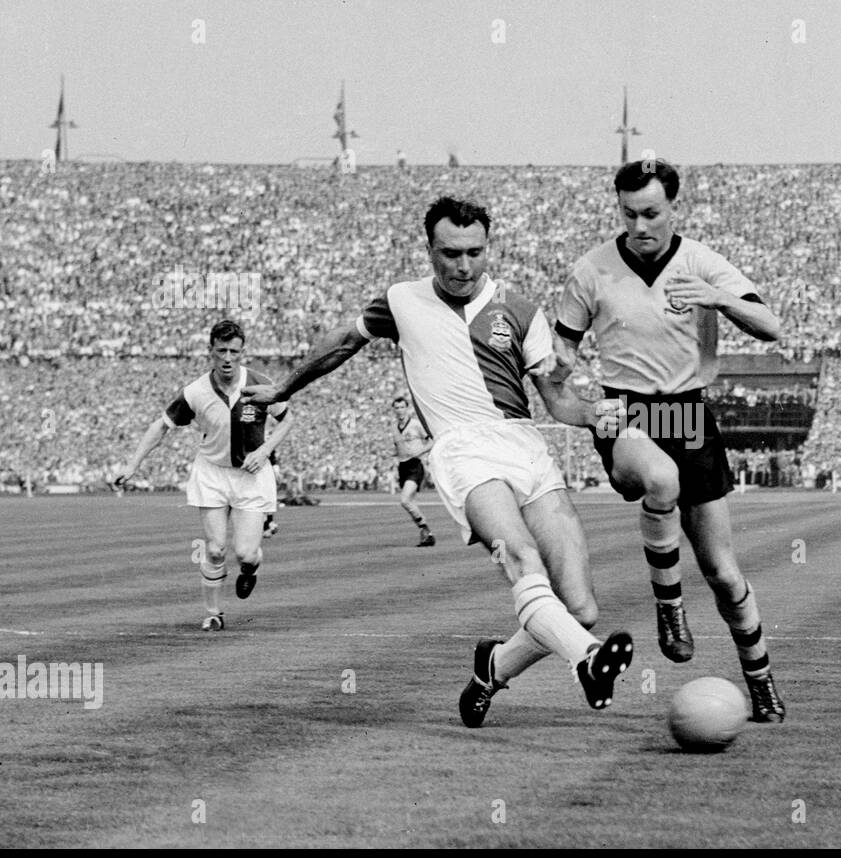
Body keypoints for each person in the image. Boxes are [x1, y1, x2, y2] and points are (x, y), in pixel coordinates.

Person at [241, 196, 633, 726]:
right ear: (429, 249)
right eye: (450, 253)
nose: (463, 265)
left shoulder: (520, 311)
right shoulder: (401, 301)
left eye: (474, 252)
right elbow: (339, 344)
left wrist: (592, 416)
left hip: (525, 446)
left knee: (581, 609)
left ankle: (492, 667)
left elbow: (557, 400)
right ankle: (587, 660)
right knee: (519, 555)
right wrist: (285, 387)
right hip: (462, 450)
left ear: (488, 248)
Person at [552, 158, 786, 722]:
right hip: (626, 412)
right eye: (629, 214)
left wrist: (717, 298)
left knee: (726, 576)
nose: (640, 226)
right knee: (660, 479)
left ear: (672, 208)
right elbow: (558, 366)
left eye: (651, 213)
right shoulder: (592, 271)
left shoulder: (702, 261)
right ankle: (669, 607)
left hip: (690, 414)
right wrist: (580, 408)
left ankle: (761, 683)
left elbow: (772, 326)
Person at [116, 320, 294, 632]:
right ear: (210, 351)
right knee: (214, 548)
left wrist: (264, 450)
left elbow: (288, 420)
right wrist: (132, 465)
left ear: (242, 352)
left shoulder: (260, 385)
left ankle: (251, 569)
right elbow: (161, 426)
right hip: (211, 473)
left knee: (246, 554)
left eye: (234, 351)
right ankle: (213, 612)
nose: (227, 358)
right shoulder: (195, 392)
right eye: (221, 351)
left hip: (251, 475)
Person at [391, 395, 437, 546]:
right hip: (402, 467)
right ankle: (426, 534)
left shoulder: (416, 424)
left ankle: (425, 529)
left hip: (415, 465)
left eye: (402, 407)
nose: (399, 410)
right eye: (397, 408)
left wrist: (420, 452)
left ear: (407, 408)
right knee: (409, 502)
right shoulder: (394, 427)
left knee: (404, 500)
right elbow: (398, 447)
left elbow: (432, 441)